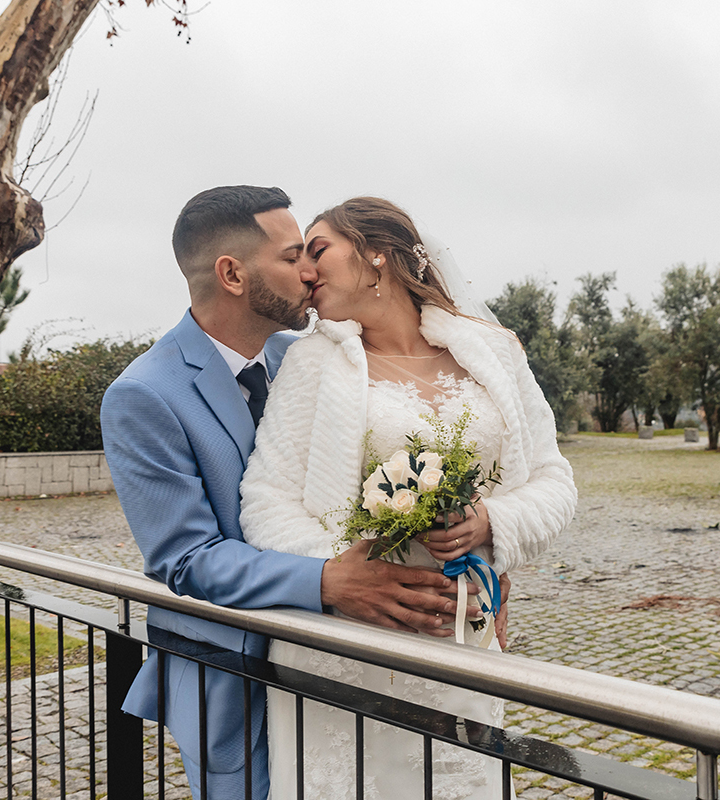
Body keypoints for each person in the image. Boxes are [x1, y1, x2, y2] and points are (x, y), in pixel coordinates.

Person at [101, 186, 468, 800]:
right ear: (232, 274)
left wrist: (471, 557)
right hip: (232, 667)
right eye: (293, 255)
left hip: (346, 657)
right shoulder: (144, 395)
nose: (310, 271)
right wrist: (328, 581)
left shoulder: (307, 356)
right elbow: (186, 557)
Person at [240, 196, 577, 799]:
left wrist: (492, 524)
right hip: (349, 644)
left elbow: (554, 479)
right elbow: (265, 500)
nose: (306, 272)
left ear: (379, 255)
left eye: (319, 251)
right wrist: (347, 573)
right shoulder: (312, 363)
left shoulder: (493, 353)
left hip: (463, 639)